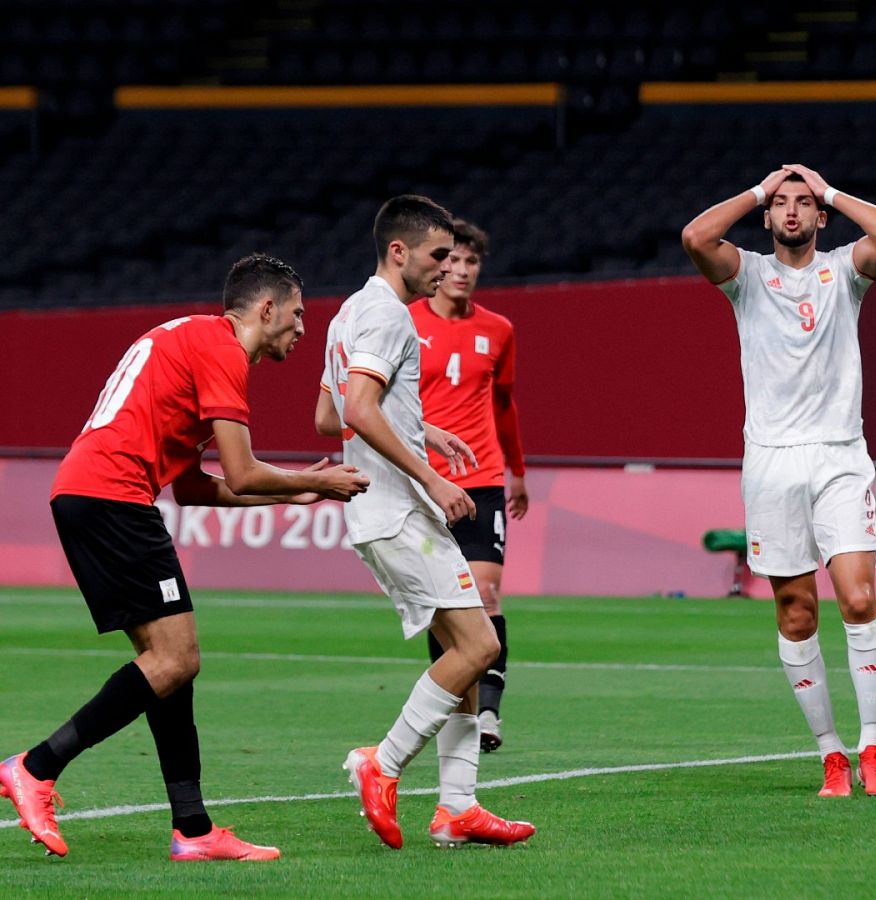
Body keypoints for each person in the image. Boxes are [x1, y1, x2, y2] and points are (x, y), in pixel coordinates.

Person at [0, 255, 369, 861]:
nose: (303, 329)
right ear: (265, 308)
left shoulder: (189, 339)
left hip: (90, 493)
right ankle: (36, 767)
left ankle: (193, 830)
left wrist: (296, 489)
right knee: (176, 659)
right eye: (298, 315)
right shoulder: (223, 351)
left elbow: (196, 486)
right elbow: (245, 472)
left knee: (167, 665)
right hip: (113, 495)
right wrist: (315, 483)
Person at [682, 164, 876, 798]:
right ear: (766, 214)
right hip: (772, 460)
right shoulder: (747, 276)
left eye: (802, 203)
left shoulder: (845, 274)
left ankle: (872, 745)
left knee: (859, 599)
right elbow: (696, 238)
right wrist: (755, 188)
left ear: (820, 216)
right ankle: (830, 753)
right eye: (780, 203)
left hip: (838, 454)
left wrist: (832, 187)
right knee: (796, 608)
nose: (790, 211)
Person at [316, 195, 533, 849]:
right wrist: (435, 475)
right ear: (399, 251)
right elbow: (358, 408)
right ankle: (381, 765)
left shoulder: (348, 314)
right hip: (401, 508)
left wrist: (421, 424)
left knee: (464, 657)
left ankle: (458, 808)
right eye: (439, 255)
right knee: (480, 648)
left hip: (388, 510)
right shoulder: (388, 315)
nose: (448, 266)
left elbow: (330, 418)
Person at [409, 218, 527, 753]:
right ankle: (453, 710)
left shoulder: (498, 329)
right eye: (451, 260)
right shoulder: (405, 323)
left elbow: (504, 403)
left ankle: (488, 714)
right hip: (424, 483)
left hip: (480, 480)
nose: (459, 270)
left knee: (484, 592)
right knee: (442, 605)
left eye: (470, 262)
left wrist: (518, 471)